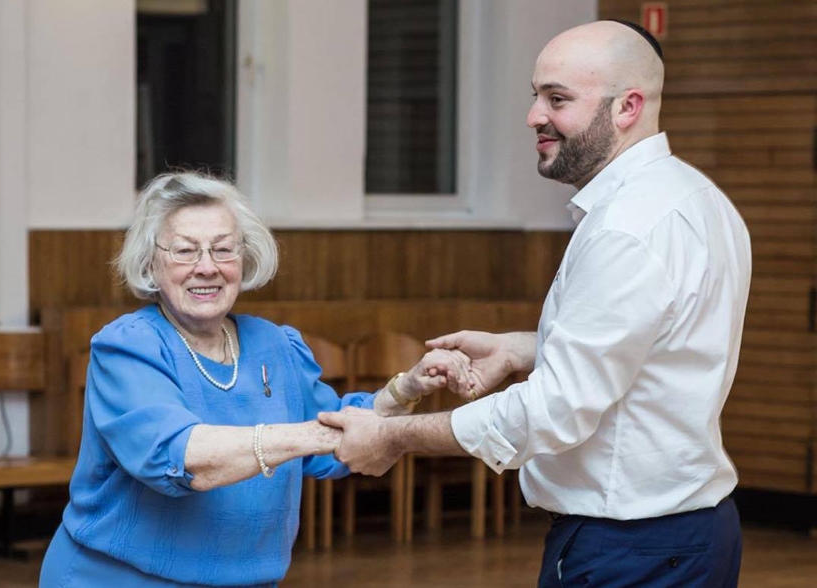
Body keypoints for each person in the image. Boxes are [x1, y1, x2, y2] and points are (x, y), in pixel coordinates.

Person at [320, 20, 751, 588]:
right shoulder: (695, 196)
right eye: (536, 96)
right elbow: (659, 344)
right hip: (689, 534)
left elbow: (551, 413)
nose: (534, 117)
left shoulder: (628, 228)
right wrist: (524, 348)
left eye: (558, 99)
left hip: (634, 547)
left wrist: (393, 436)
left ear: (628, 107)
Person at [39, 171, 470, 588]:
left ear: (244, 259)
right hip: (121, 579)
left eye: (223, 250)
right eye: (185, 251)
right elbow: (183, 457)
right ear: (151, 262)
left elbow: (334, 436)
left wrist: (405, 389)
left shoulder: (274, 345)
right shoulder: (130, 347)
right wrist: (317, 437)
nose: (206, 267)